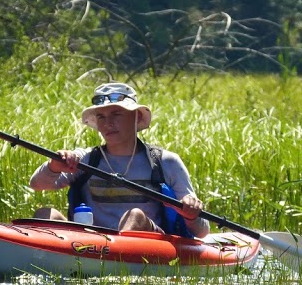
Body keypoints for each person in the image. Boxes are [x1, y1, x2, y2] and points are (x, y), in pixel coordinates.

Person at [29, 82, 209, 238]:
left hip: (149, 244)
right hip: (90, 244)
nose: (108, 123)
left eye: (116, 114)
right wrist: (54, 166)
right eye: (101, 116)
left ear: (137, 117)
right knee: (45, 214)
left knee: (135, 216)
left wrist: (191, 215)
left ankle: (117, 259)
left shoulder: (166, 162)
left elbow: (202, 231)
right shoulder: (85, 159)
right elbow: (37, 185)